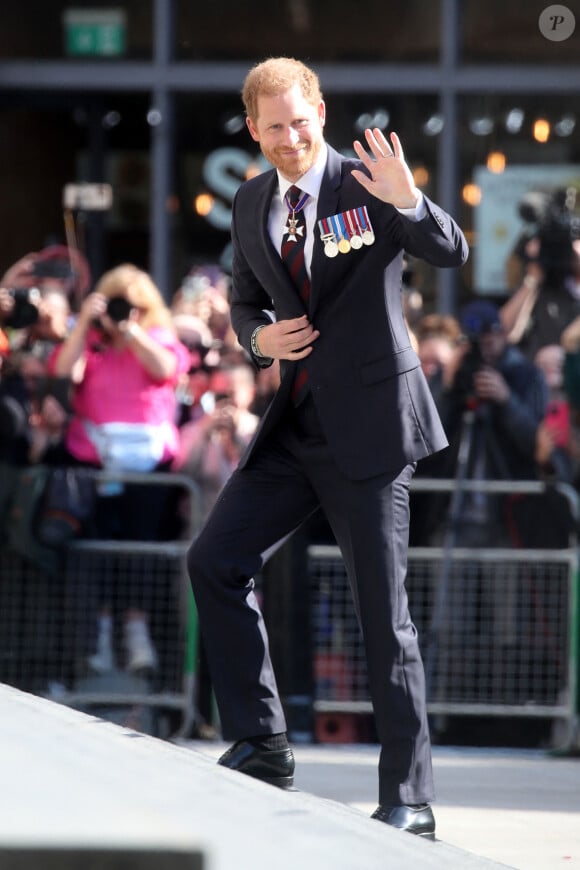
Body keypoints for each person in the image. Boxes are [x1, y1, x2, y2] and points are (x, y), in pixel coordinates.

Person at [186, 56, 468, 840]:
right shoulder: (249, 200)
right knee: (214, 560)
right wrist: (255, 335)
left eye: (300, 120)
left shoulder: (366, 181)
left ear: (320, 109)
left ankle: (410, 796)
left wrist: (409, 197)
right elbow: (245, 296)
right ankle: (263, 741)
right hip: (294, 428)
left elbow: (449, 249)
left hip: (373, 433)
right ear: (254, 129)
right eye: (273, 126)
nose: (290, 137)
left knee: (384, 615)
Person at [50, 263, 190, 674]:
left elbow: (165, 369)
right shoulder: (91, 343)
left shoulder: (159, 337)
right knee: (96, 551)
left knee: (140, 548)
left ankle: (137, 633)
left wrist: (130, 331)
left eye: (132, 306)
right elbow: (62, 372)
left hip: (149, 467)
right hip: (93, 461)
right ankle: (99, 639)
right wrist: (84, 325)